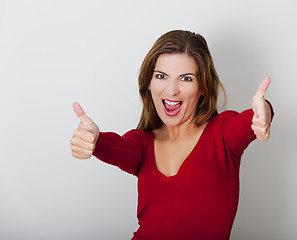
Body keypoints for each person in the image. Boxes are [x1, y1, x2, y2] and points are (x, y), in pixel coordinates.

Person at [70, 30, 274, 240]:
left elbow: (248, 121)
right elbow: (115, 147)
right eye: (161, 76)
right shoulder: (142, 143)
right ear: (149, 83)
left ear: (203, 87)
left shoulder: (221, 134)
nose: (172, 90)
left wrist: (262, 113)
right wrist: (94, 140)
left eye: (186, 78)